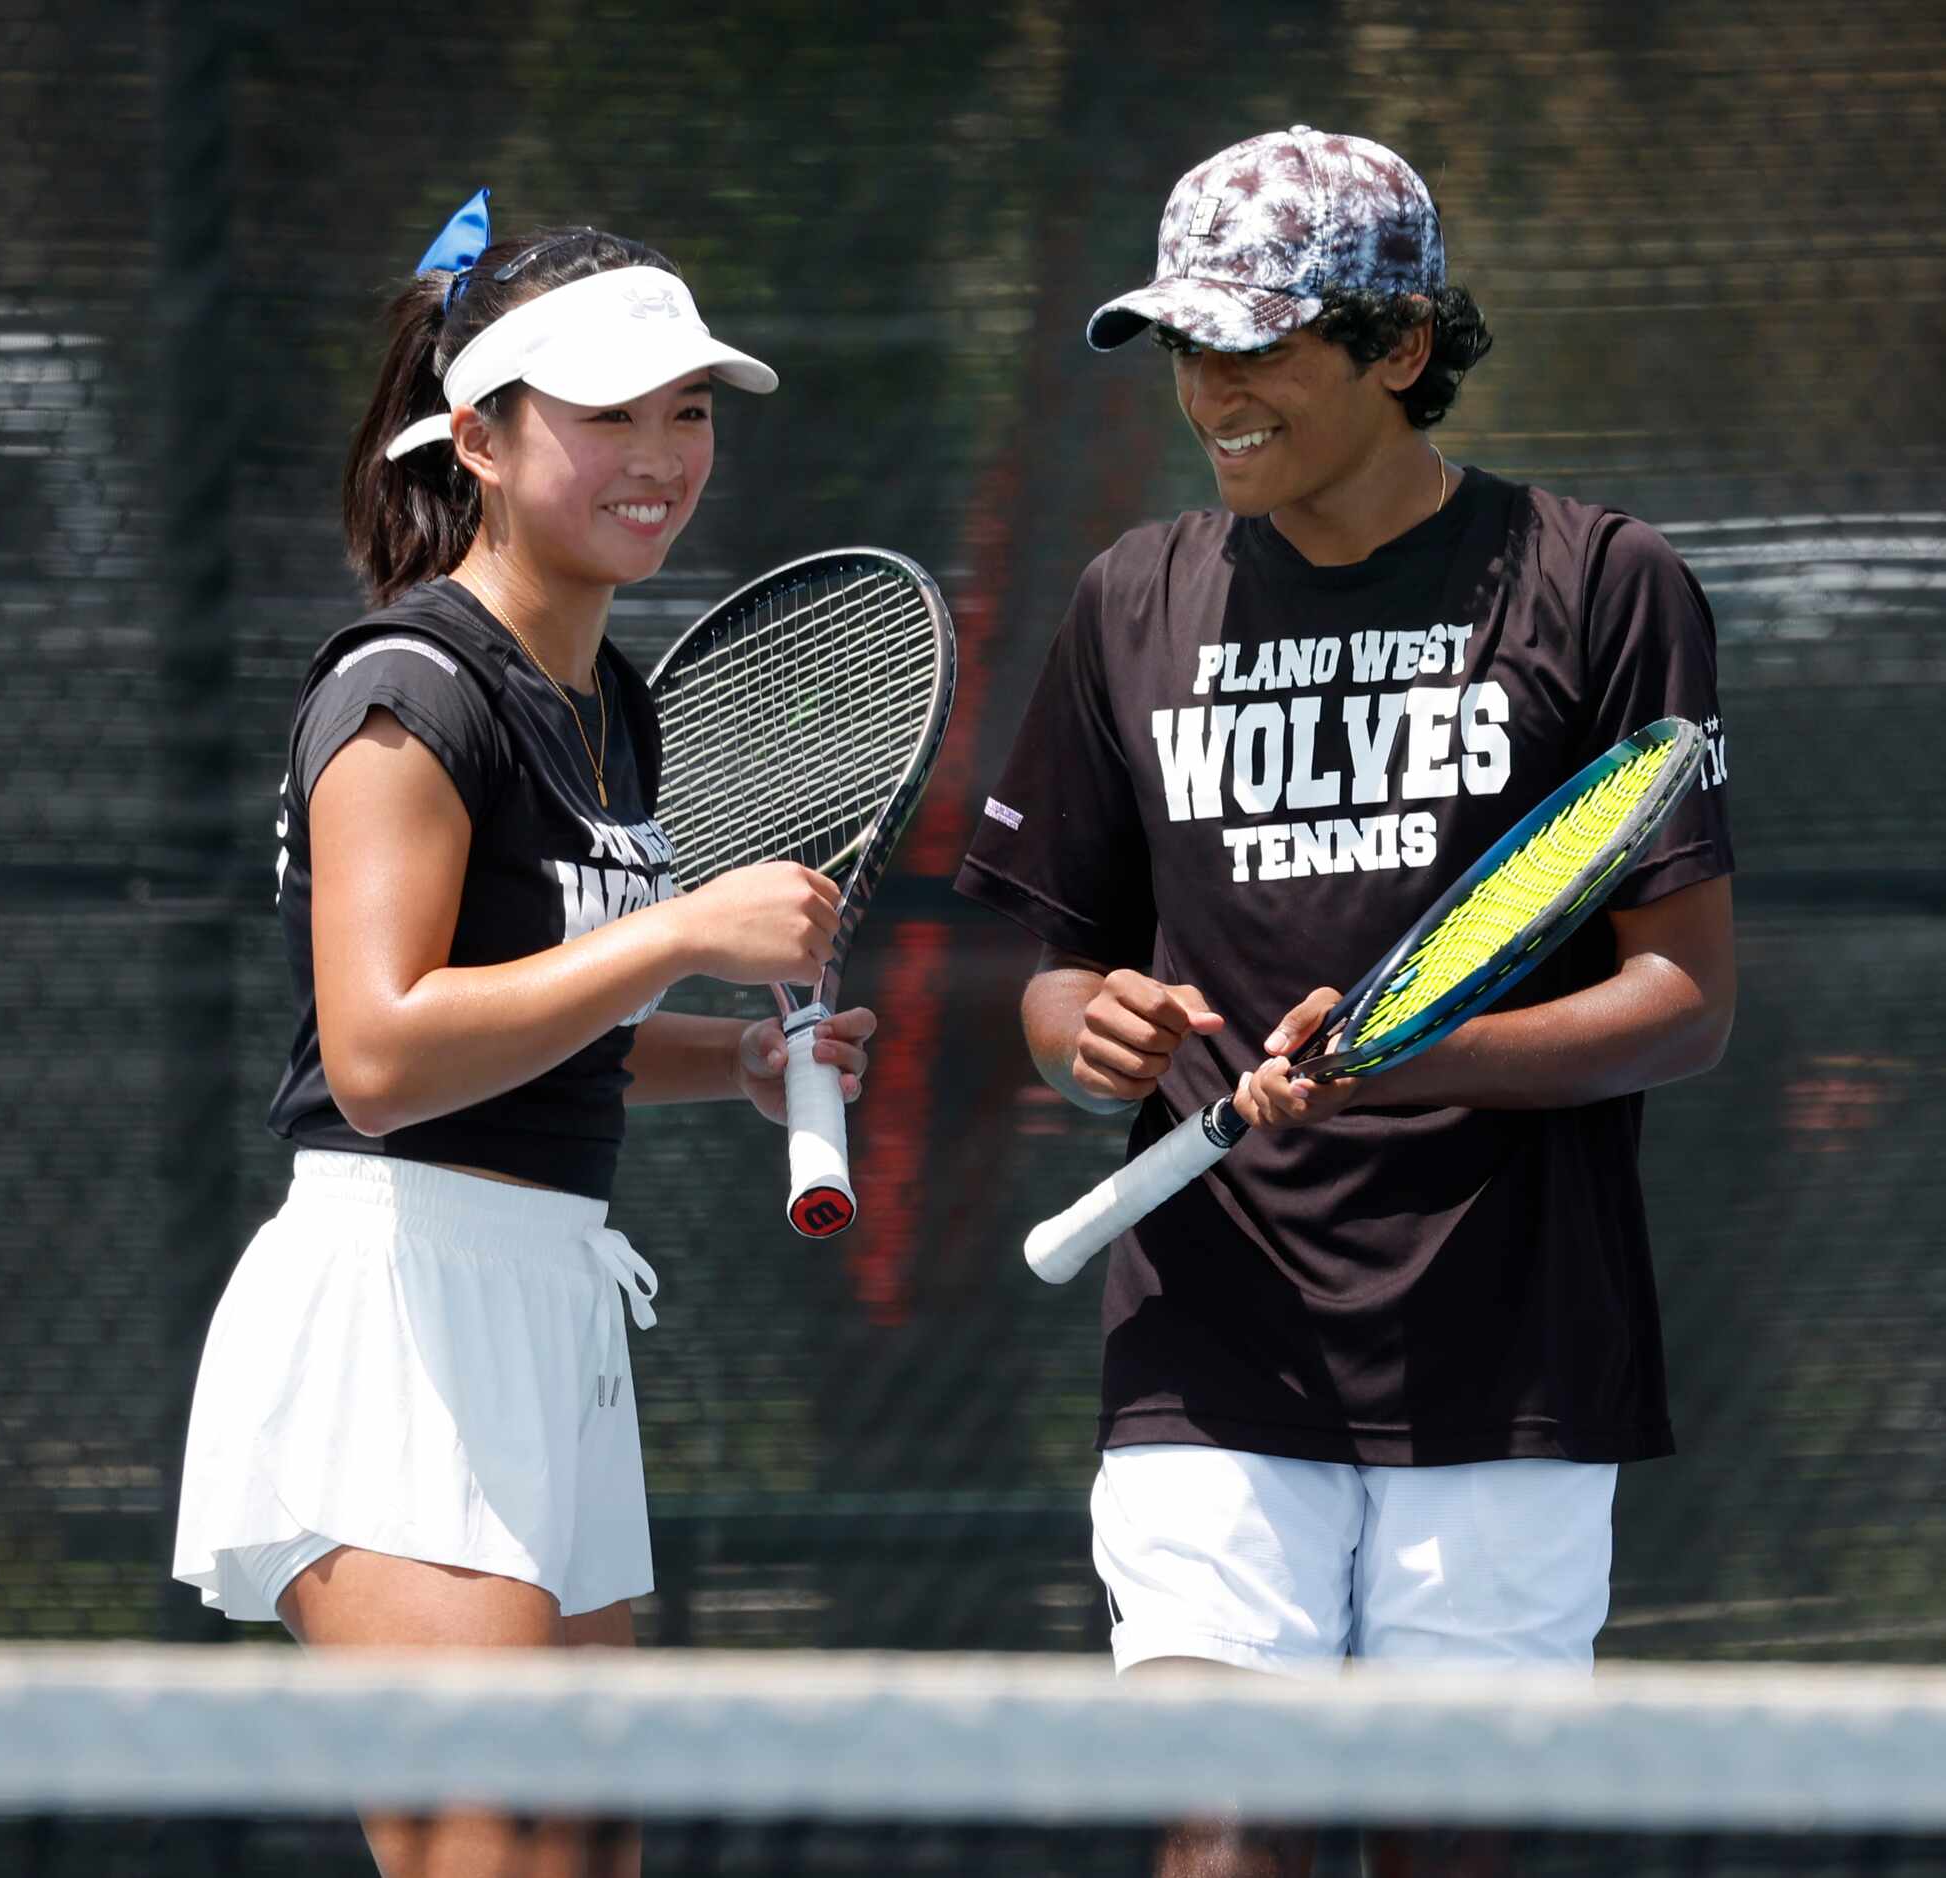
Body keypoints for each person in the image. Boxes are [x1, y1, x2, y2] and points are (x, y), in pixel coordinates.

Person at [954, 128, 1735, 1877]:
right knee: (1222, 1835)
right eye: (1185, 346)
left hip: (1508, 1345)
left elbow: (1683, 1002)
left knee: (1449, 1849)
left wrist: (1406, 1060)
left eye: (1258, 345)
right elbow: (1053, 963)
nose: (1211, 390)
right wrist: (1084, 1028)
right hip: (1206, 1344)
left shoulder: (1600, 582)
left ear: (1398, 349)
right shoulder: (1125, 600)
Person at [171, 190, 875, 1878]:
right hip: (393, 1311)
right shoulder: (404, 691)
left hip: (549, 1305)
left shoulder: (609, 702)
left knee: (581, 1854)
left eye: (688, 410)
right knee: (489, 1853)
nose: (661, 453)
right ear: (479, 437)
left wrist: (736, 1058)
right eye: (606, 413)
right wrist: (684, 932)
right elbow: (385, 1055)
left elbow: (553, 1017)